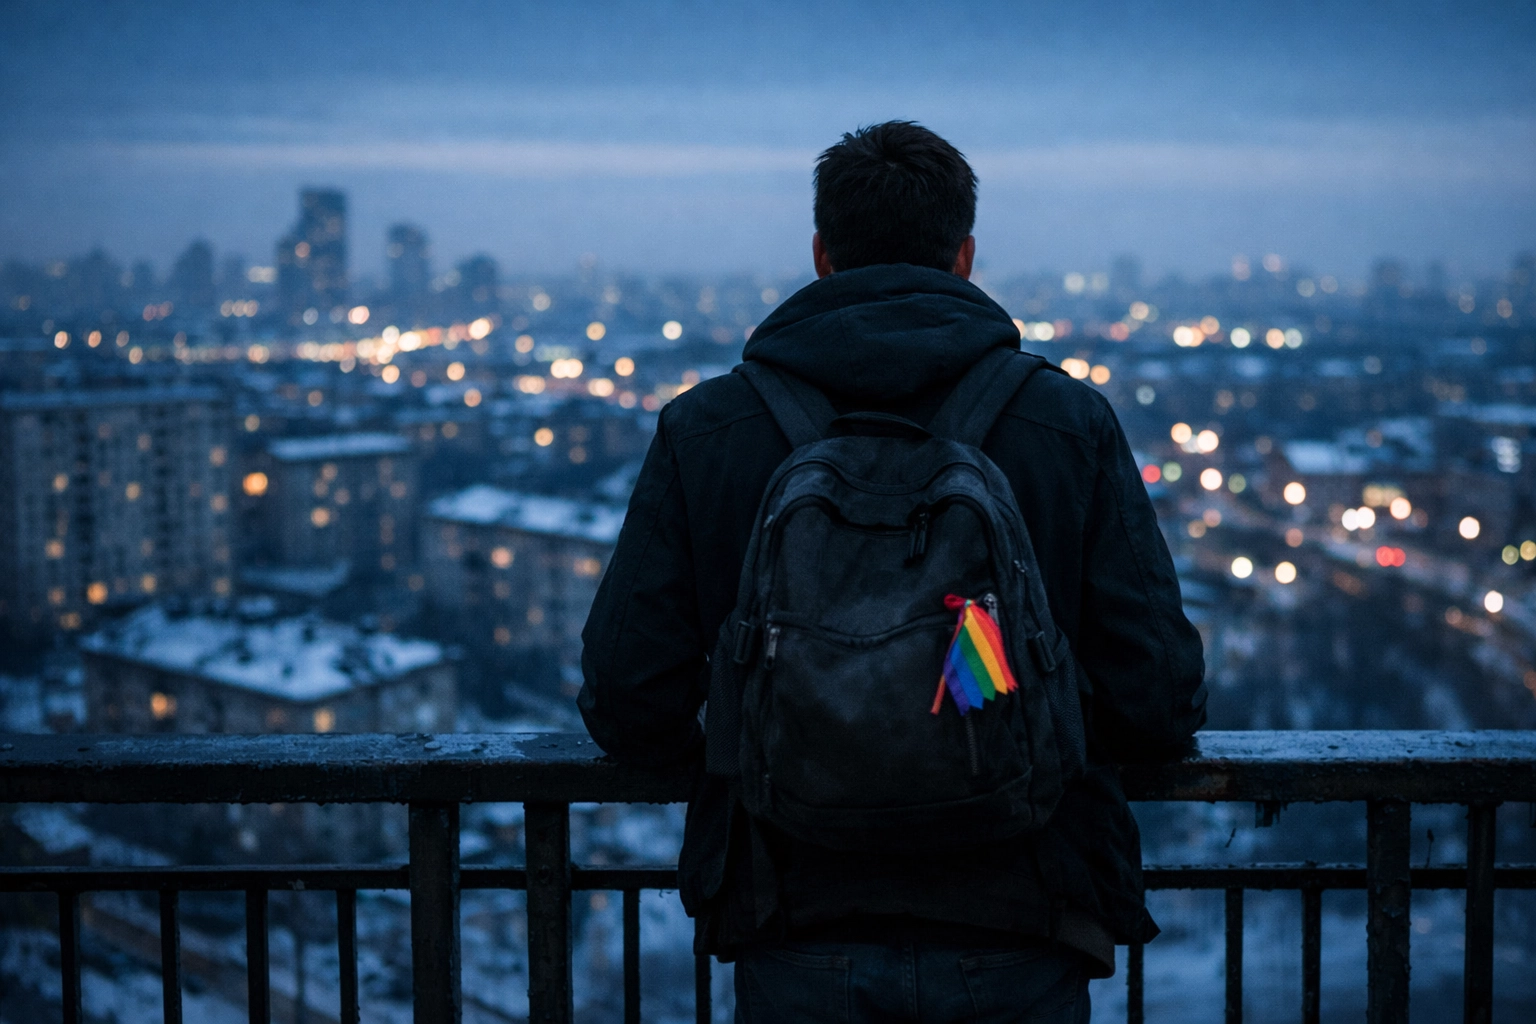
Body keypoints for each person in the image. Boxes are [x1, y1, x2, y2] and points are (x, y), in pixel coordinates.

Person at [579, 120, 1206, 1023]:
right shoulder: (1066, 425)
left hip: (793, 912)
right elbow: (1159, 699)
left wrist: (763, 749)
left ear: (821, 254)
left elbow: (627, 698)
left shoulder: (709, 431)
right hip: (1018, 916)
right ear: (965, 256)